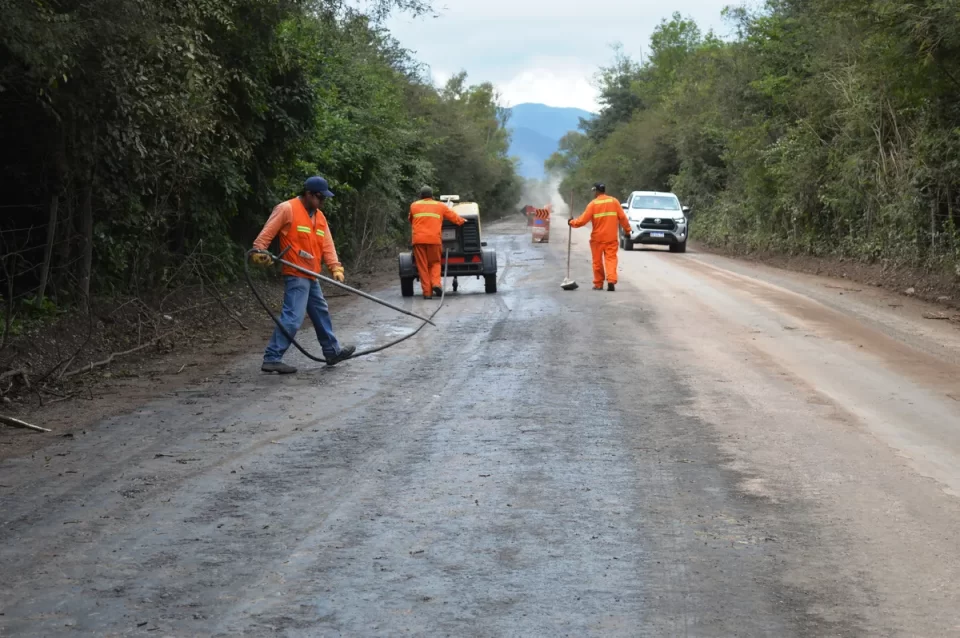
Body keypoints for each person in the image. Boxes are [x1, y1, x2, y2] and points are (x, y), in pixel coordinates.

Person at [250, 176, 356, 374]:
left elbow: (327, 244)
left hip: (311, 275)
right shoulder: (287, 209)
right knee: (293, 317)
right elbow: (265, 235)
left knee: (320, 312)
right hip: (296, 273)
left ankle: (332, 352)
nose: (322, 202)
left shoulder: (320, 216)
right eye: (320, 198)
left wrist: (335, 267)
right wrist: (259, 251)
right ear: (308, 194)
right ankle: (272, 357)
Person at [569, 183, 631, 292]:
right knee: (611, 259)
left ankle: (598, 284)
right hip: (611, 238)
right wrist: (627, 231)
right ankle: (611, 281)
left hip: (597, 239)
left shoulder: (593, 204)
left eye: (594, 191)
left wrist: (571, 222)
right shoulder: (614, 201)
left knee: (597, 262)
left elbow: (582, 221)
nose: (593, 193)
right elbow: (623, 218)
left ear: (597, 191)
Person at [409, 186, 466, 299]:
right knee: (435, 263)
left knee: (423, 267)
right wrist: (462, 221)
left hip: (419, 240)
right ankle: (436, 284)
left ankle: (427, 293)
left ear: (421, 196)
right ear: (432, 196)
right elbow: (452, 216)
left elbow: (411, 219)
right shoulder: (440, 205)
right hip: (434, 240)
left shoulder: (414, 205)